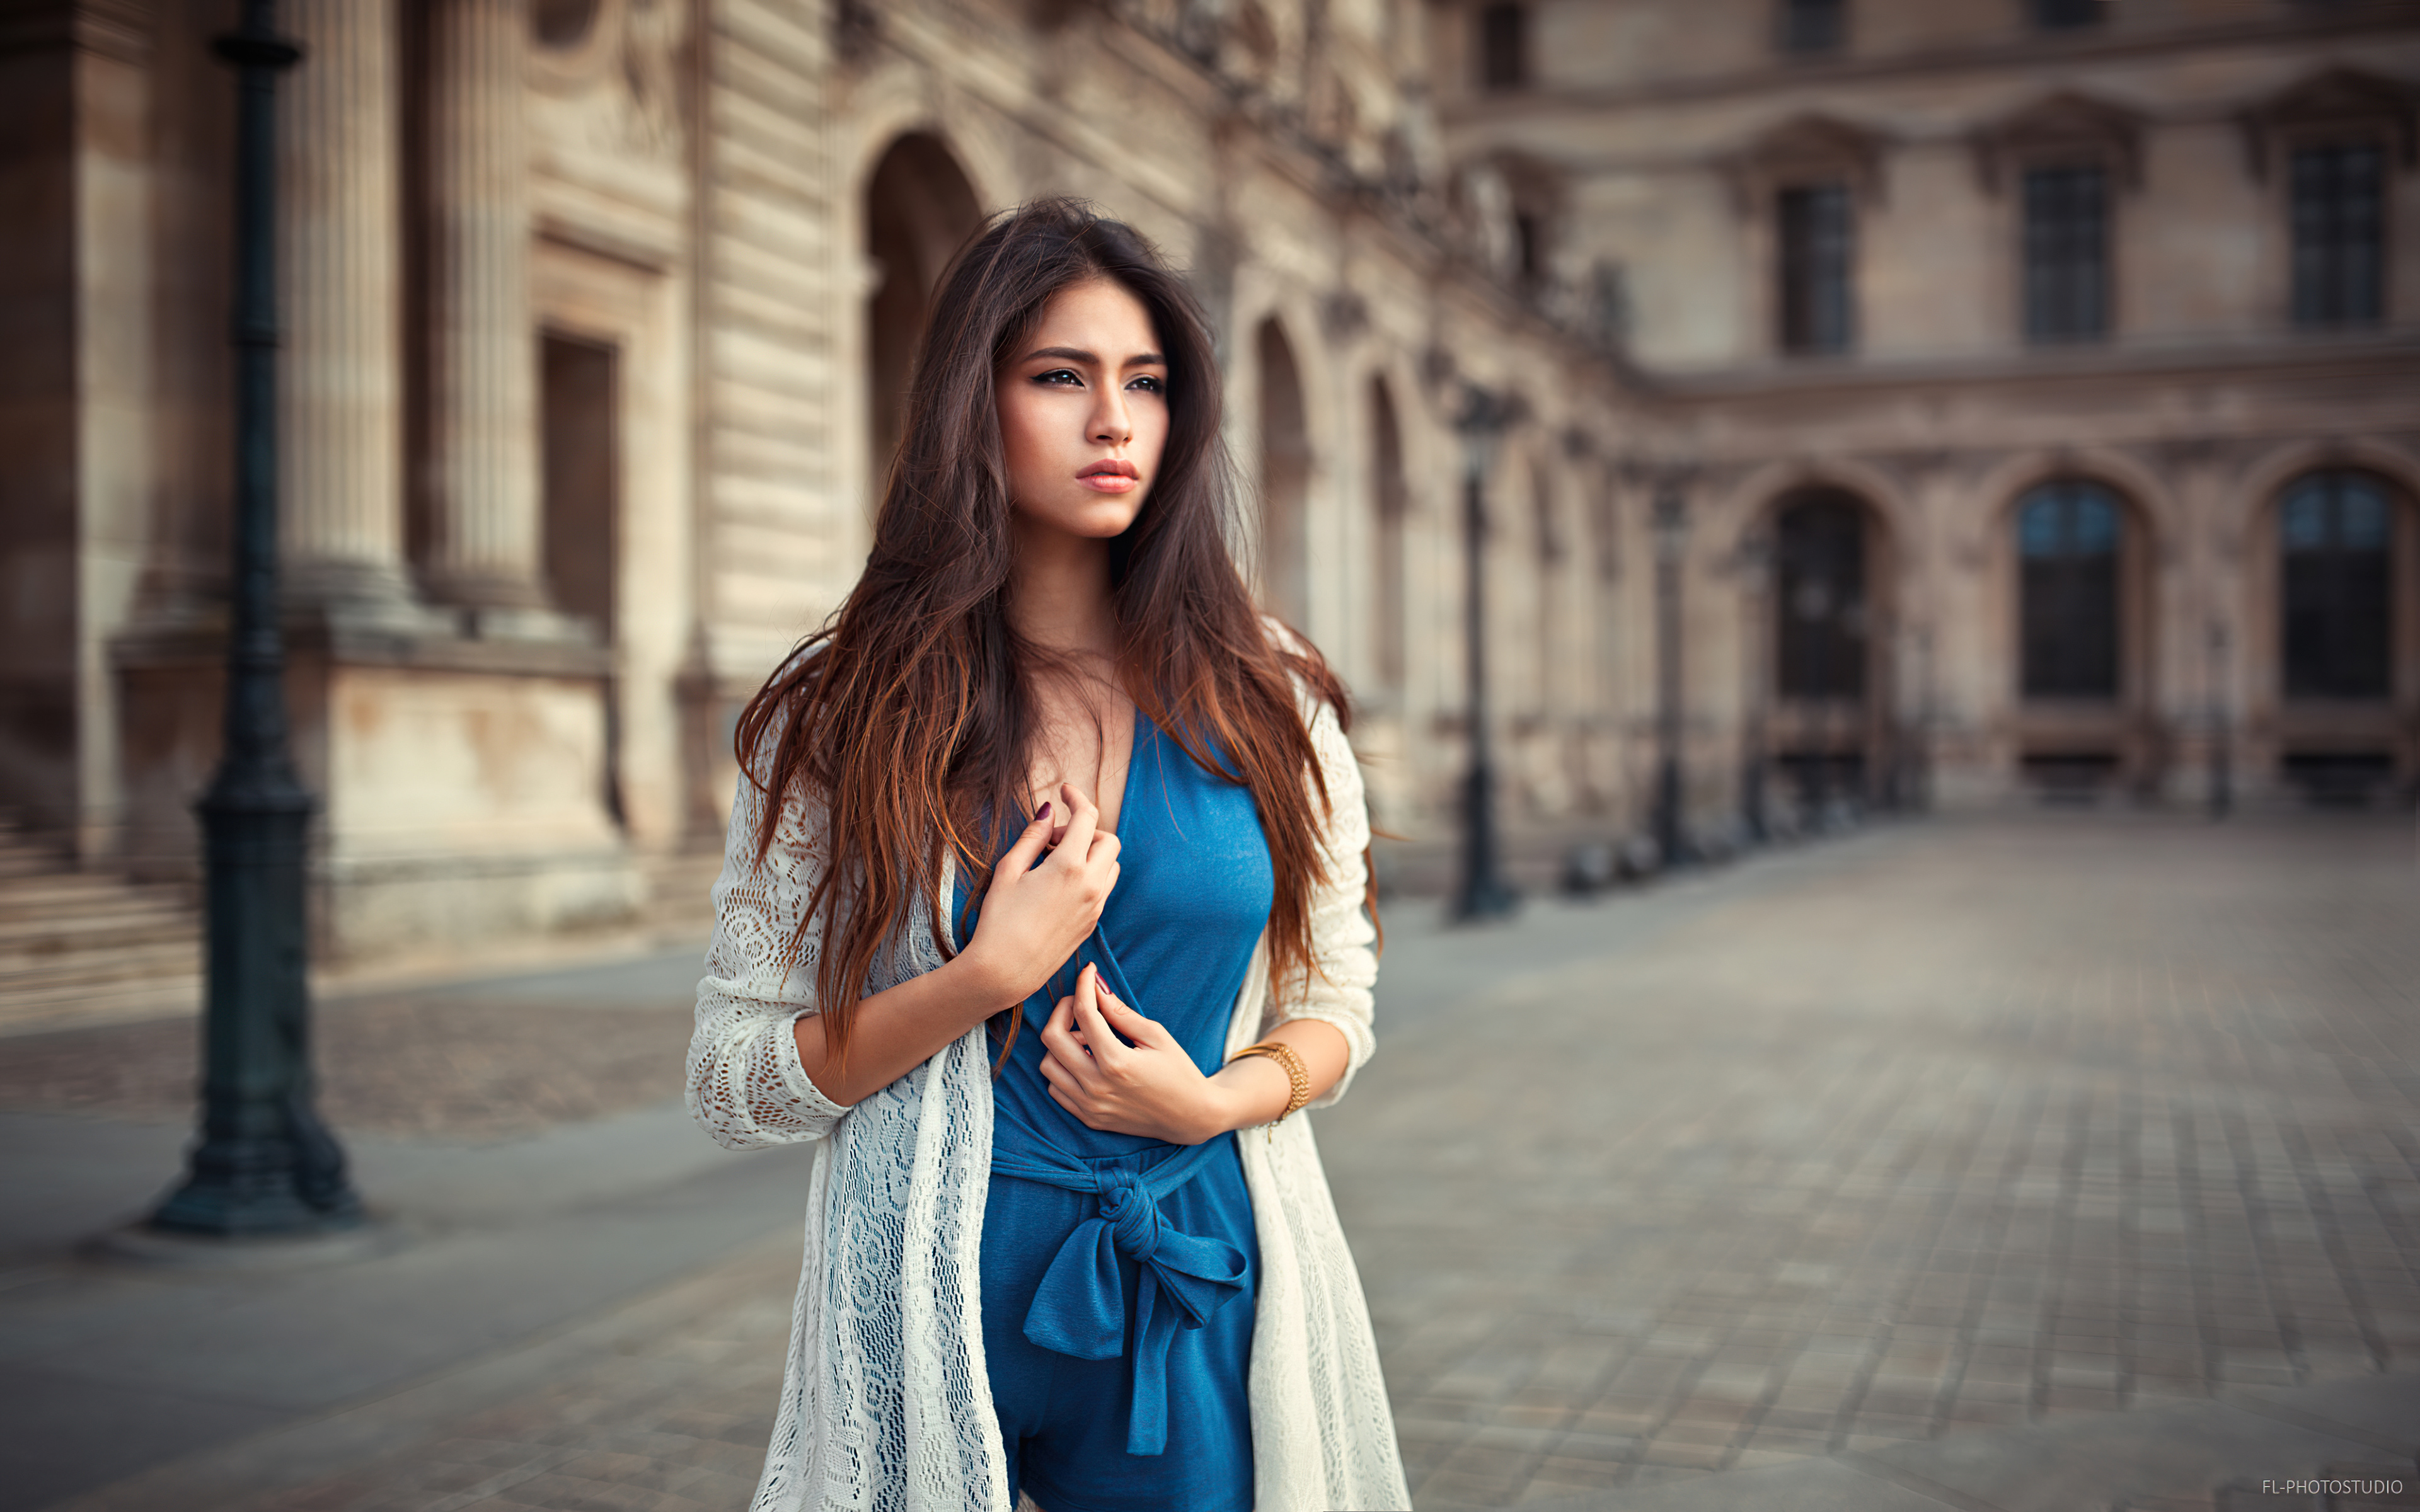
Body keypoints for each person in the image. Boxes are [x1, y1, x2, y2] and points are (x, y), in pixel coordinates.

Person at [686, 197, 1410, 1512]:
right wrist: (977, 977)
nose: (1114, 421)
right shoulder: (842, 708)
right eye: (1060, 378)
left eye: (1144, 383)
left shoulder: (1272, 696)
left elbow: (1337, 1003)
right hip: (930, 1291)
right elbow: (737, 1082)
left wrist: (1212, 1103)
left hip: (1197, 1267)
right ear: (977, 402)